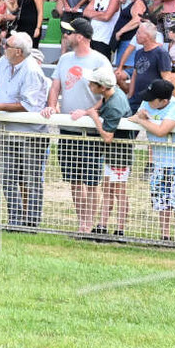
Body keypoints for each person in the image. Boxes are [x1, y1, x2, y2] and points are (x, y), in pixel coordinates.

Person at [0, 32, 49, 230]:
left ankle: (31, 223)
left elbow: (28, 105)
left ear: (18, 52)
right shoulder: (5, 61)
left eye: (7, 45)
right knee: (7, 177)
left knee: (31, 179)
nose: (3, 47)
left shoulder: (32, 70)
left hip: (31, 134)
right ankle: (14, 221)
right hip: (8, 131)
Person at [45, 17, 112, 235]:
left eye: (70, 33)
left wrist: (87, 112)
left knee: (92, 181)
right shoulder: (65, 59)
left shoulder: (100, 60)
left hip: (90, 130)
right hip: (68, 128)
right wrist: (52, 106)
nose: (66, 36)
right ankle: (82, 221)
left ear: (80, 37)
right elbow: (55, 86)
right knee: (74, 180)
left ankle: (88, 223)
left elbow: (108, 93)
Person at [68, 65, 134, 239]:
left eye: (92, 84)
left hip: (120, 155)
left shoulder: (115, 106)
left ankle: (120, 231)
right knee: (108, 189)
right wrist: (89, 112)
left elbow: (107, 136)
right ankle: (102, 226)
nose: (89, 86)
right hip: (111, 154)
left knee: (119, 191)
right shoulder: (111, 93)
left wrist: (94, 117)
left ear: (103, 87)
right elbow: (102, 103)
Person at [132, 79, 175, 243]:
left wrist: (142, 120)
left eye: (152, 99)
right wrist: (140, 116)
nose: (148, 101)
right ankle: (164, 235)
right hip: (159, 161)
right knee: (161, 200)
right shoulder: (146, 101)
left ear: (164, 101)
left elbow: (161, 131)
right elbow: (135, 116)